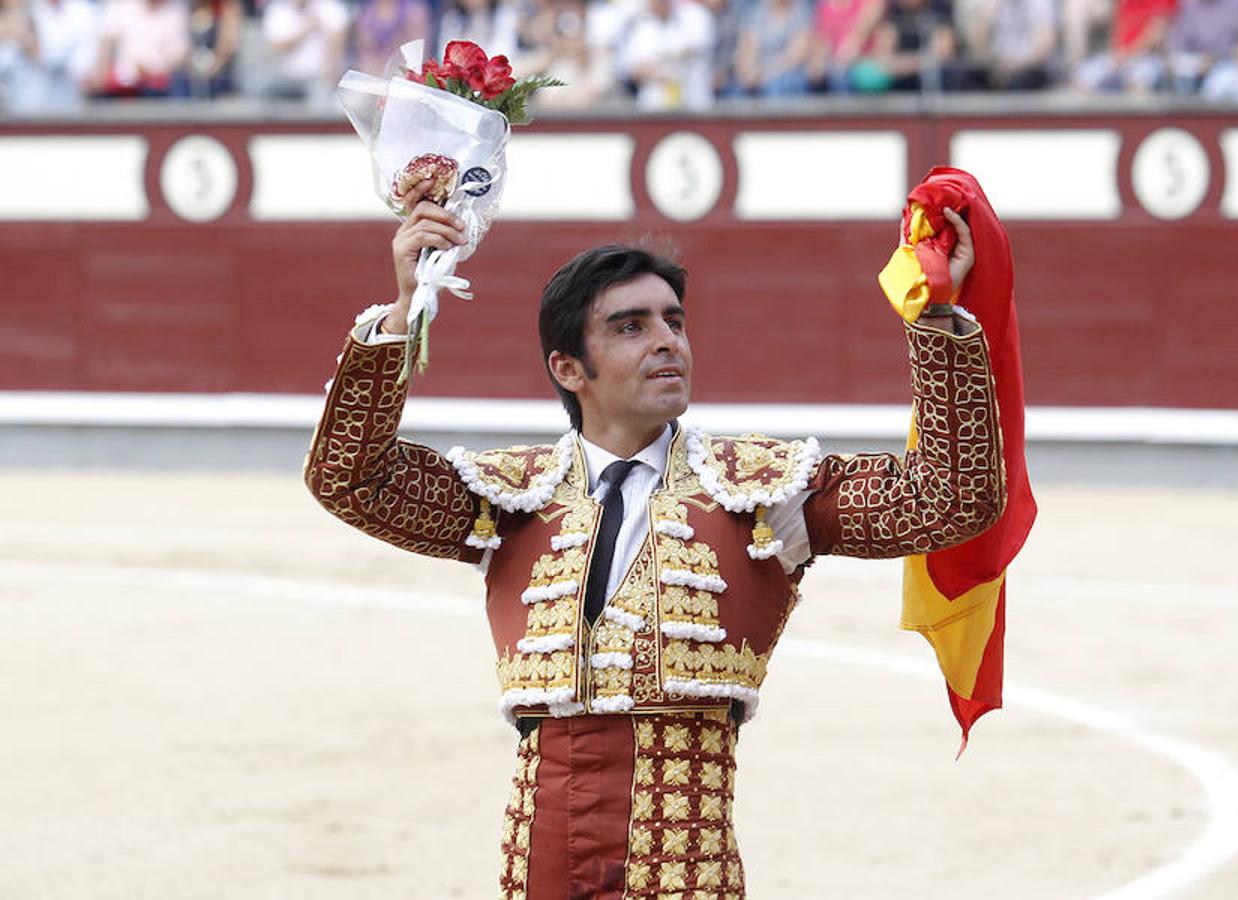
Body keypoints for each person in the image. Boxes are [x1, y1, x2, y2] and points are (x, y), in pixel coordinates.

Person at [303, 177, 1007, 896]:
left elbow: (950, 499)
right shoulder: (512, 497)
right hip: (539, 847)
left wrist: (938, 317)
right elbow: (349, 479)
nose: (668, 341)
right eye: (631, 326)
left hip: (685, 849)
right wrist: (403, 309)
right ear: (568, 368)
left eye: (674, 321)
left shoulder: (762, 491)